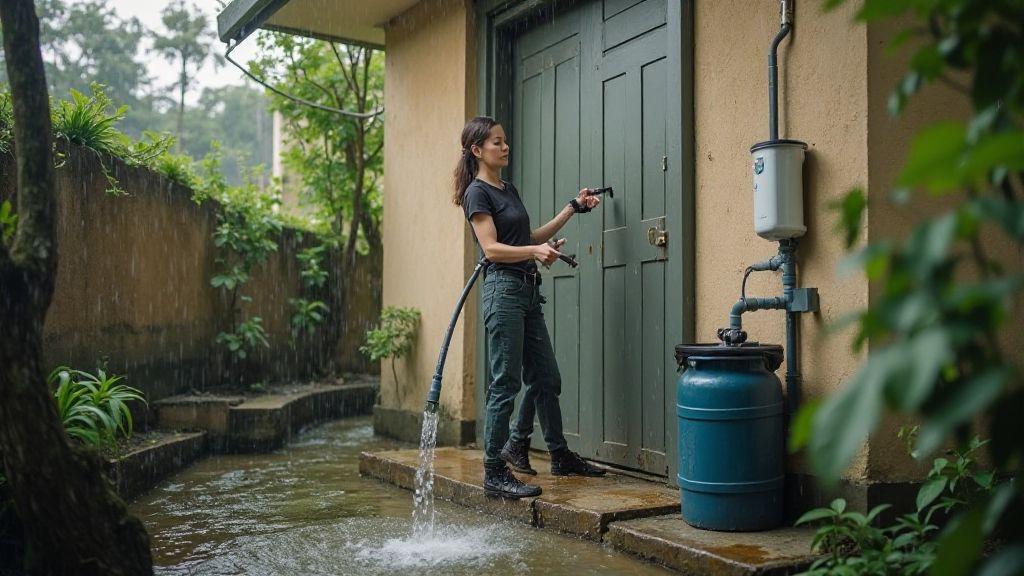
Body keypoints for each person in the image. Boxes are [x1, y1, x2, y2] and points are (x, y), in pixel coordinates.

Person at [452, 116, 607, 499]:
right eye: (496, 143)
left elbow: (529, 236)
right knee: (505, 382)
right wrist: (535, 252)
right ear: (477, 150)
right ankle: (494, 471)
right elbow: (491, 248)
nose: (505, 147)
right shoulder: (477, 193)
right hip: (502, 291)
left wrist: (572, 208)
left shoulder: (508, 189)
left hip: (526, 291)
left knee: (547, 377)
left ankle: (557, 455)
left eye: (505, 141)